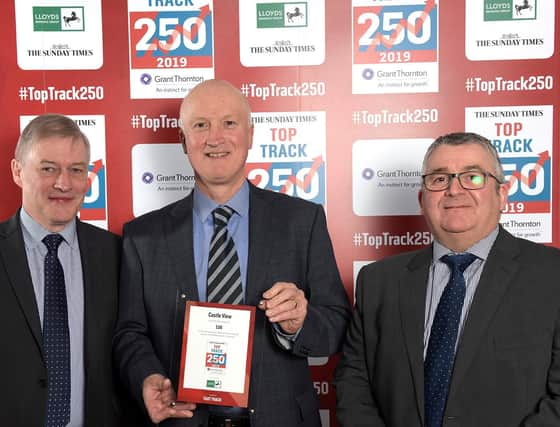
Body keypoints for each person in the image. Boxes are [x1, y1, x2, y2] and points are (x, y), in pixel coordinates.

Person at [113, 79, 350, 427]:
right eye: (200, 125)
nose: (215, 138)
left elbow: (337, 324)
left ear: (250, 135)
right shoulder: (143, 236)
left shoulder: (302, 221)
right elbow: (130, 333)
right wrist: (146, 376)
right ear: (183, 141)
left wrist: (300, 322)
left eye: (229, 123)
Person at [334, 132, 560, 426]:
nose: (454, 190)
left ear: (501, 195)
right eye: (439, 179)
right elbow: (354, 387)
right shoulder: (377, 282)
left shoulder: (551, 275)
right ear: (422, 199)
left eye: (473, 177)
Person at [0, 114, 124, 426]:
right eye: (48, 168)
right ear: (17, 171)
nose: (63, 183)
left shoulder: (116, 254)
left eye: (76, 170)